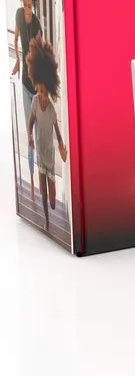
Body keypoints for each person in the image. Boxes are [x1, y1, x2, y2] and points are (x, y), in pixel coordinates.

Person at [26, 37, 67, 231]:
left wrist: (62, 147)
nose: (41, 94)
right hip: (40, 154)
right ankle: (47, 221)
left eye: (44, 91)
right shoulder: (34, 102)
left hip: (50, 155)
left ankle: (51, 203)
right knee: (42, 190)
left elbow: (57, 133)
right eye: (39, 90)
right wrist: (29, 136)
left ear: (49, 88)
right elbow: (30, 122)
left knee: (52, 196)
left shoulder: (51, 110)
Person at [12, 0, 42, 201]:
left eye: (30, 5)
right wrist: (17, 62)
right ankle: (31, 181)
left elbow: (41, 54)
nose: (28, 9)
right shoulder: (18, 15)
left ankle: (41, 179)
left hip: (37, 86)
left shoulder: (37, 23)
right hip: (24, 84)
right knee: (29, 133)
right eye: (25, 4)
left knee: (40, 136)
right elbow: (15, 39)